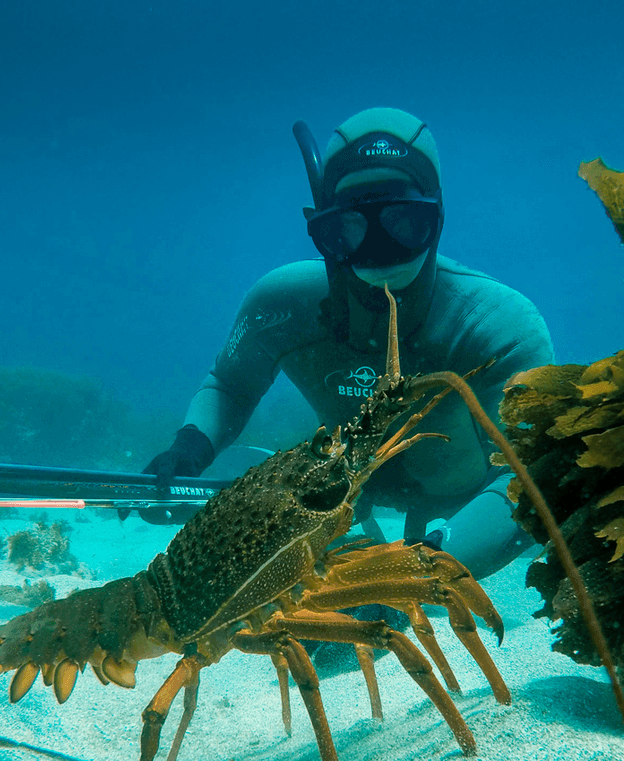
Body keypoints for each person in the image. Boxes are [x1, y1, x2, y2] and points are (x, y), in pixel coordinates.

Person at [141, 107, 554, 582]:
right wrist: (191, 446)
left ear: (435, 220)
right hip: (342, 497)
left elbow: (525, 475)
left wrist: (426, 564)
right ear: (325, 228)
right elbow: (230, 385)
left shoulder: (500, 325)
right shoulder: (279, 303)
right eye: (351, 228)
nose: (380, 251)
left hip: (463, 504)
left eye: (403, 222)